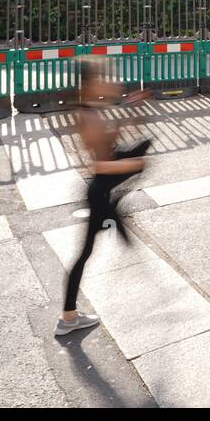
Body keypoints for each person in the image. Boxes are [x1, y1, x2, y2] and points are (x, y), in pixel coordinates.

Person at [57, 57, 148, 337]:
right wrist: (135, 165)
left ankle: (69, 316)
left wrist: (127, 113)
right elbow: (99, 166)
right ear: (91, 83)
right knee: (84, 253)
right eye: (103, 78)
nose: (109, 82)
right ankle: (68, 318)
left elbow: (109, 143)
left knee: (86, 252)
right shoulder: (88, 117)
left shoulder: (90, 110)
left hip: (102, 189)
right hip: (98, 190)